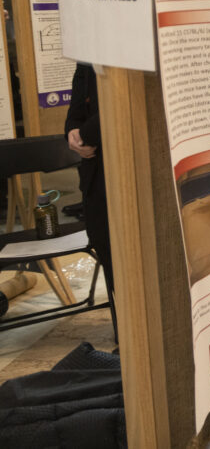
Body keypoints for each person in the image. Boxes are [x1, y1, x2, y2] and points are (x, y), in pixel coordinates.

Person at [65, 63, 115, 326]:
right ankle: (123, 339)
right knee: (106, 251)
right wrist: (72, 133)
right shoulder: (86, 55)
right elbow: (75, 112)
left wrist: (85, 134)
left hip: (125, 171)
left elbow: (119, 98)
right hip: (95, 177)